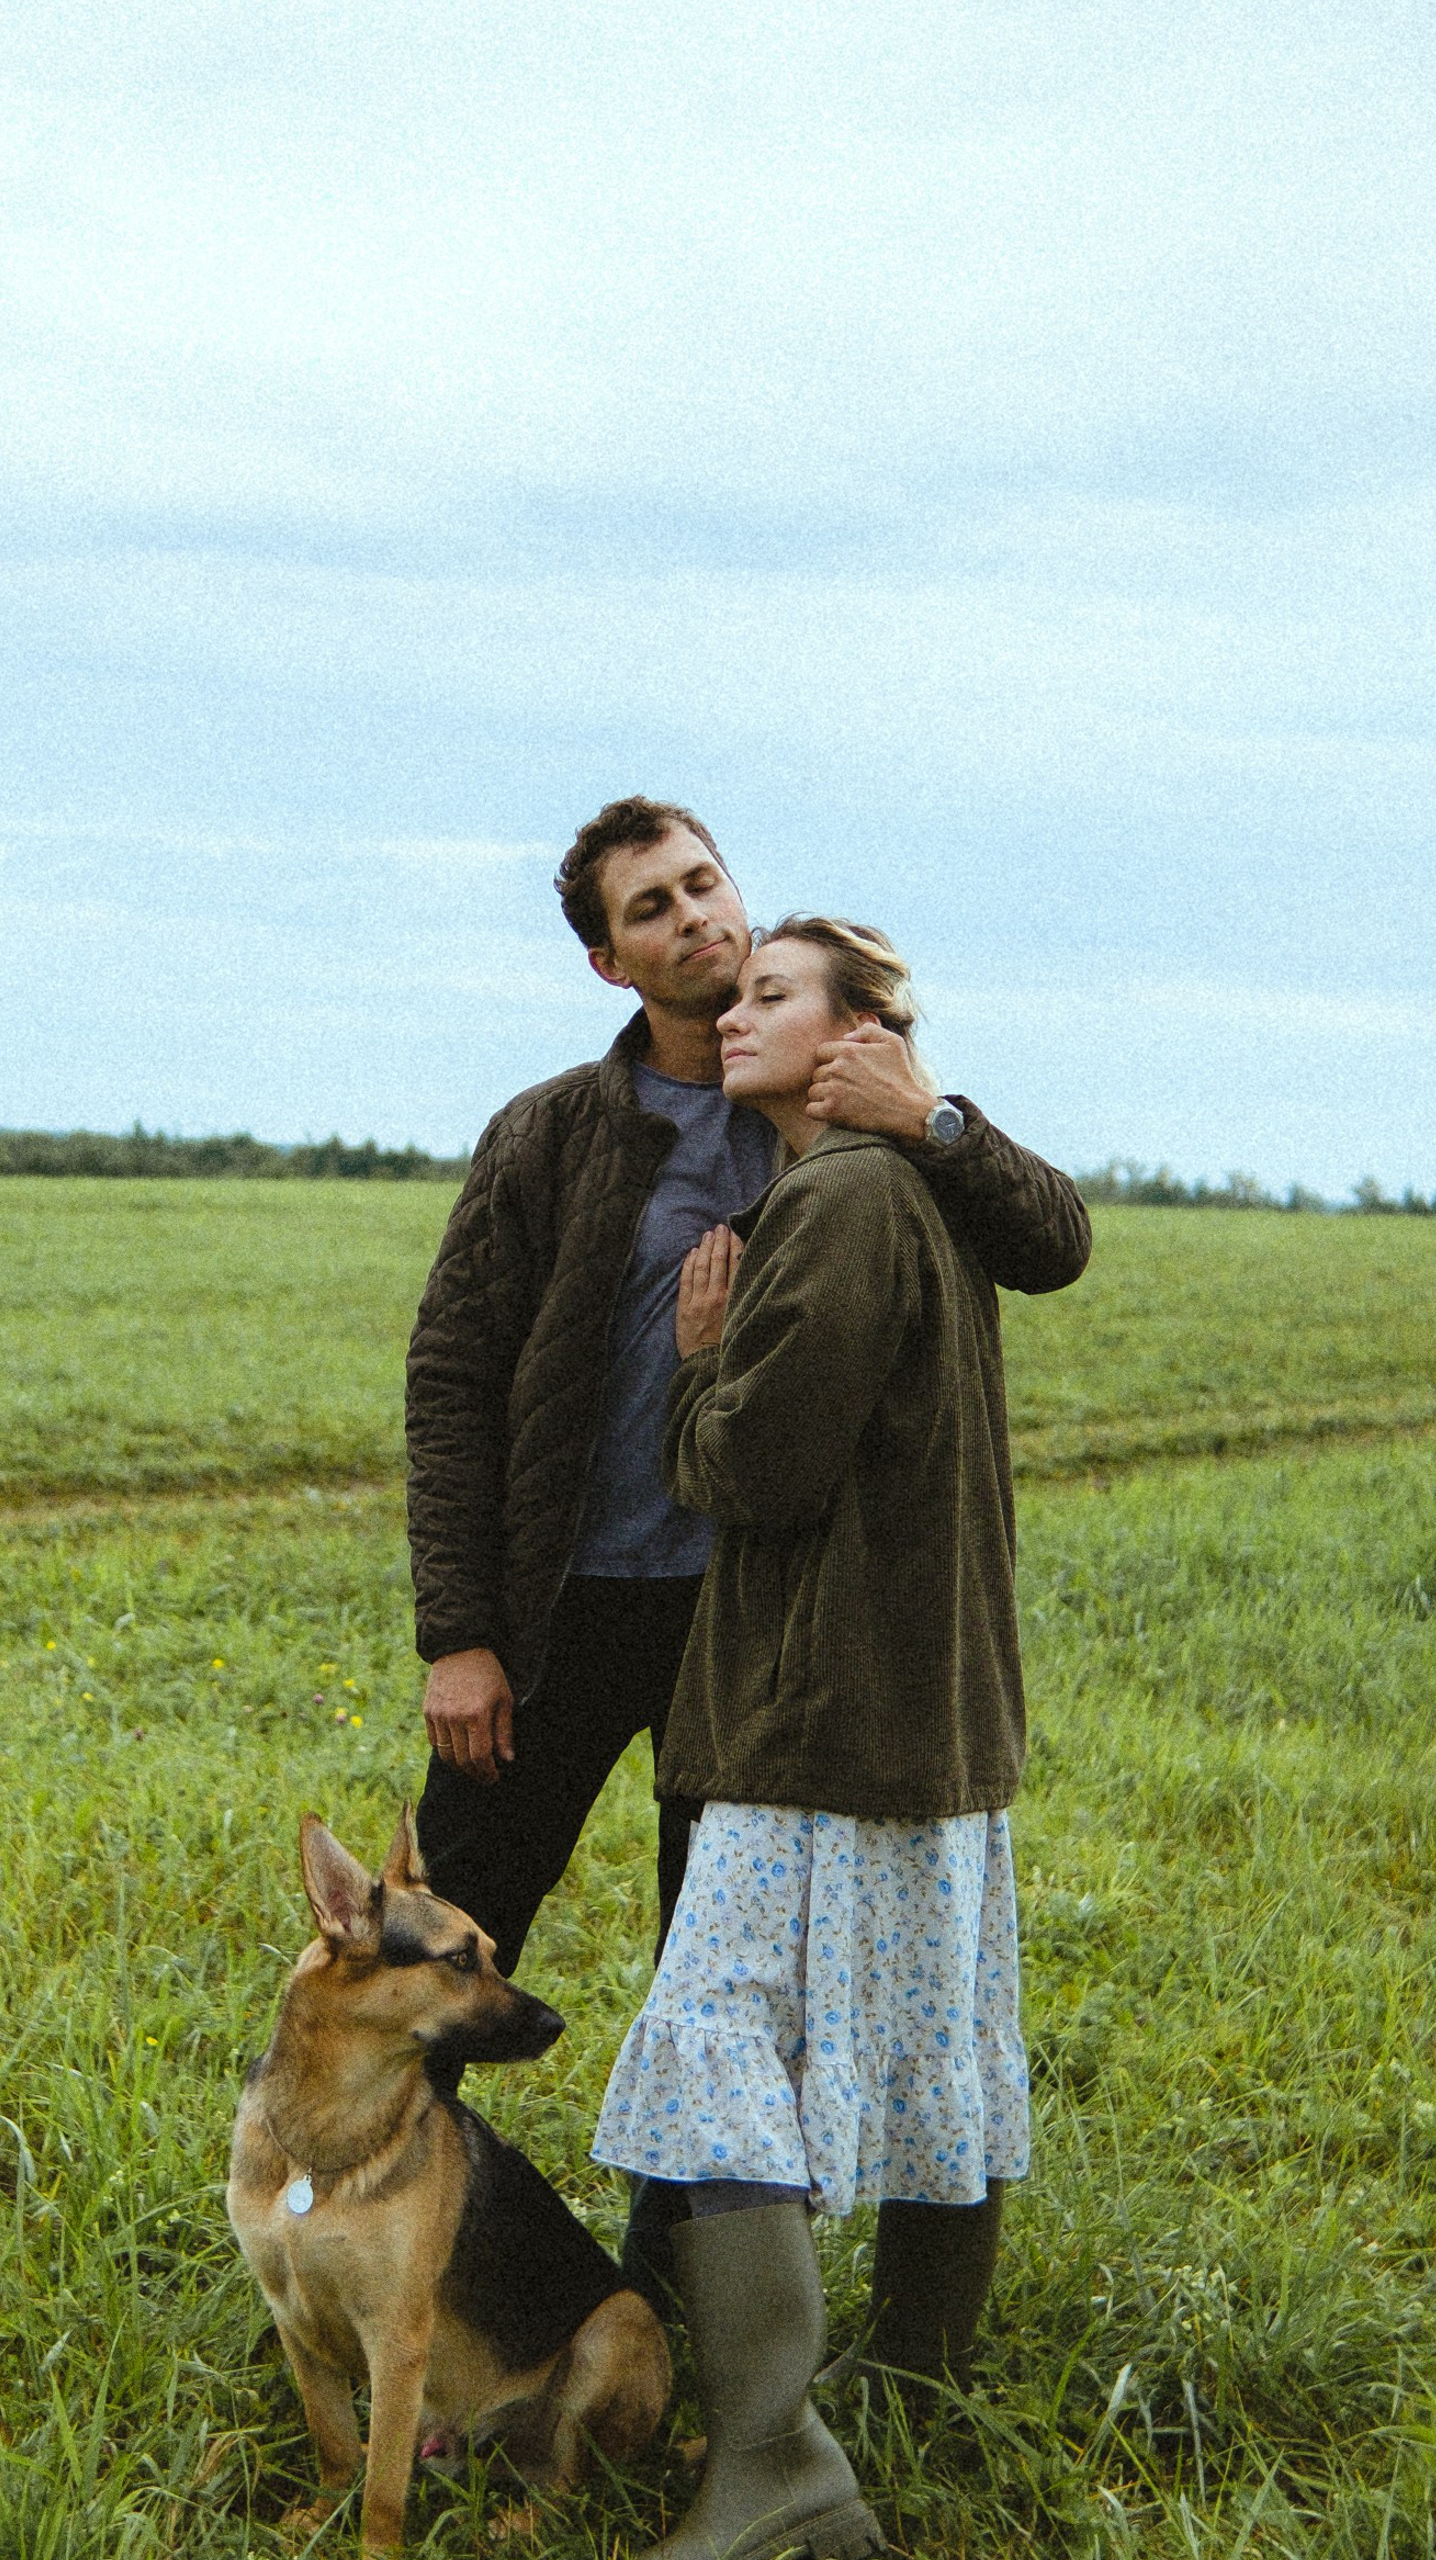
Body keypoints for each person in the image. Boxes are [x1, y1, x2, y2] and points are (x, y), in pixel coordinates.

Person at [404, 798, 1086, 2302]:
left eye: (706, 883)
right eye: (652, 907)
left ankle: (654, 2326)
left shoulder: (855, 1106)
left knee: (705, 1989)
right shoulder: (552, 1133)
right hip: (561, 1613)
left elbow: (1052, 1244)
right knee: (433, 1952)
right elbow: (452, 1375)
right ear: (609, 961)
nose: (697, 920)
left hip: (752, 1626)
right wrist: (461, 1630)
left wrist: (937, 1117)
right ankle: (365, 2261)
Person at [590, 918, 1046, 2560]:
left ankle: (778, 2460)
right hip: (925, 1711)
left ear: (863, 1038)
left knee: (714, 2037)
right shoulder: (902, 1191)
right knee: (936, 2018)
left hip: (814, 1711)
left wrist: (698, 1377)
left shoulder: (845, 1200)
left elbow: (759, 1470)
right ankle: (918, 2381)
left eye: (774, 995)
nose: (733, 1014)